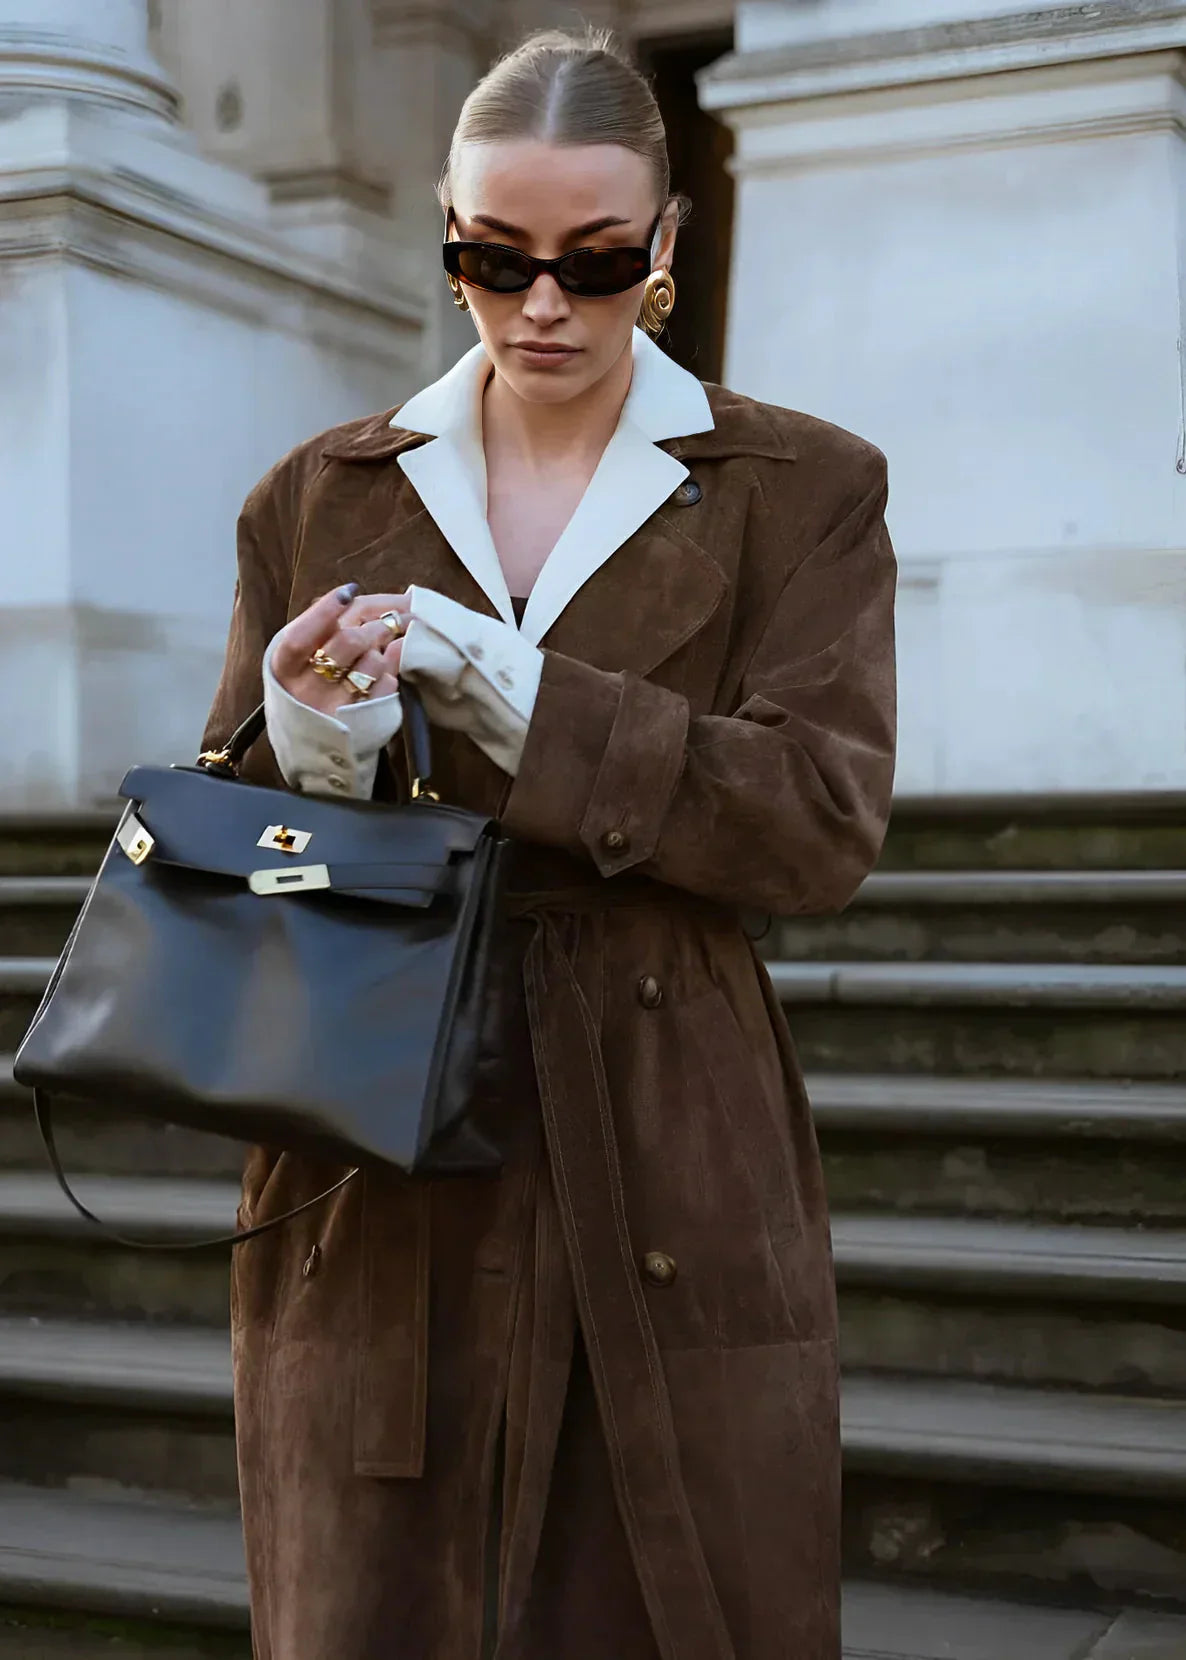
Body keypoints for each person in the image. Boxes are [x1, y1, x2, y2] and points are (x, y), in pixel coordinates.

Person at [201, 25, 897, 1660]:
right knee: (379, 1605)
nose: (539, 306)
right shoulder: (315, 496)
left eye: (592, 262)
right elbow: (232, 847)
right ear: (445, 234)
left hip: (665, 1132)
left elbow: (817, 822)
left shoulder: (798, 485)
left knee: (659, 1598)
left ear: (664, 243)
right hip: (374, 1139)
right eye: (491, 257)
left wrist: (526, 704)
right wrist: (315, 732)